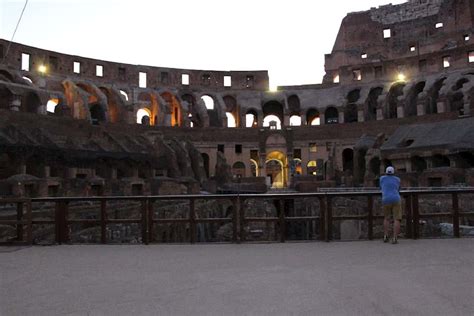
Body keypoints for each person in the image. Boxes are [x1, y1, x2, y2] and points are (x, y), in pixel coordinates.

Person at [380, 166, 401, 244]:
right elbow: (398, 189)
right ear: (393, 172)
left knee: (386, 218)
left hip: (385, 199)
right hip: (396, 198)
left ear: (386, 172)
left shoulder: (382, 178)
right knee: (397, 218)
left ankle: (385, 236)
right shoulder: (397, 179)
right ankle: (394, 238)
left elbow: (381, 187)